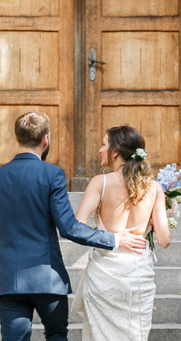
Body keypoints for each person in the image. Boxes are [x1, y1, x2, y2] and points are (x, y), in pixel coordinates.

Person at [0, 111, 148, 341]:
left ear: (17, 139)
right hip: (49, 279)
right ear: (46, 139)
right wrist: (114, 239)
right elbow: (69, 227)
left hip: (9, 280)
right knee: (56, 336)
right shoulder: (52, 174)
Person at [72, 125, 171, 341]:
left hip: (104, 276)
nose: (100, 150)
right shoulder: (154, 188)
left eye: (103, 144)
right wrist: (154, 220)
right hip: (137, 274)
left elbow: (77, 226)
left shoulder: (101, 182)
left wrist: (106, 235)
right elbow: (164, 240)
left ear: (115, 152)